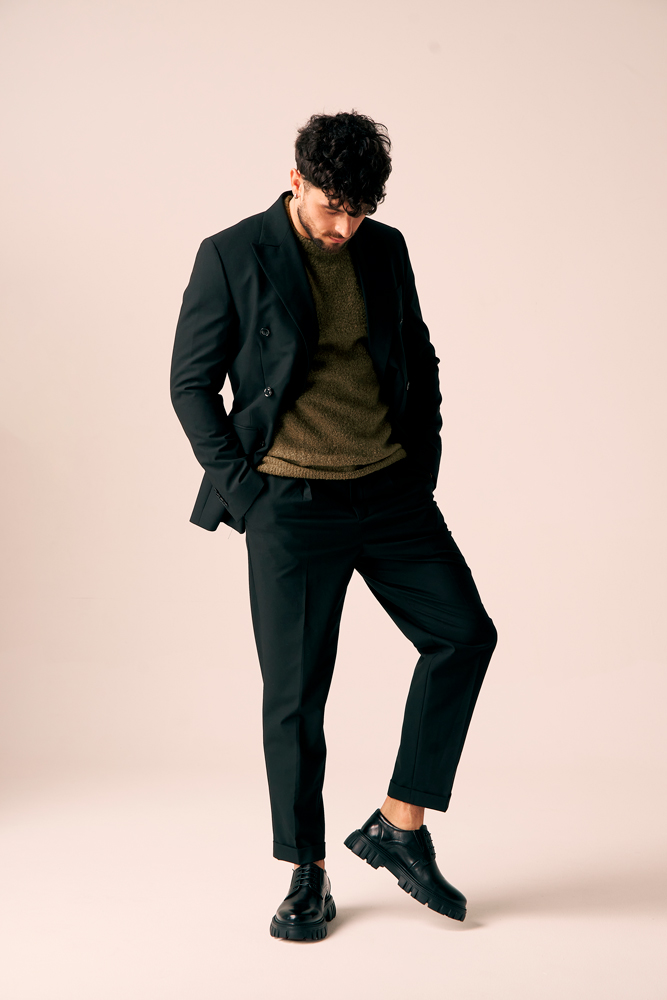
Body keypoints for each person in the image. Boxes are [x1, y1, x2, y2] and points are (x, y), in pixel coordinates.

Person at [170, 110, 497, 941]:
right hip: (289, 504)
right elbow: (189, 384)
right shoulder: (231, 253)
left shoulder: (383, 249)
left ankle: (398, 824)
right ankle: (306, 871)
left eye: (359, 210)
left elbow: (416, 353)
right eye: (330, 207)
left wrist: (419, 463)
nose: (343, 227)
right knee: (296, 697)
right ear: (295, 180)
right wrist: (247, 497)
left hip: (388, 494)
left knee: (463, 635)